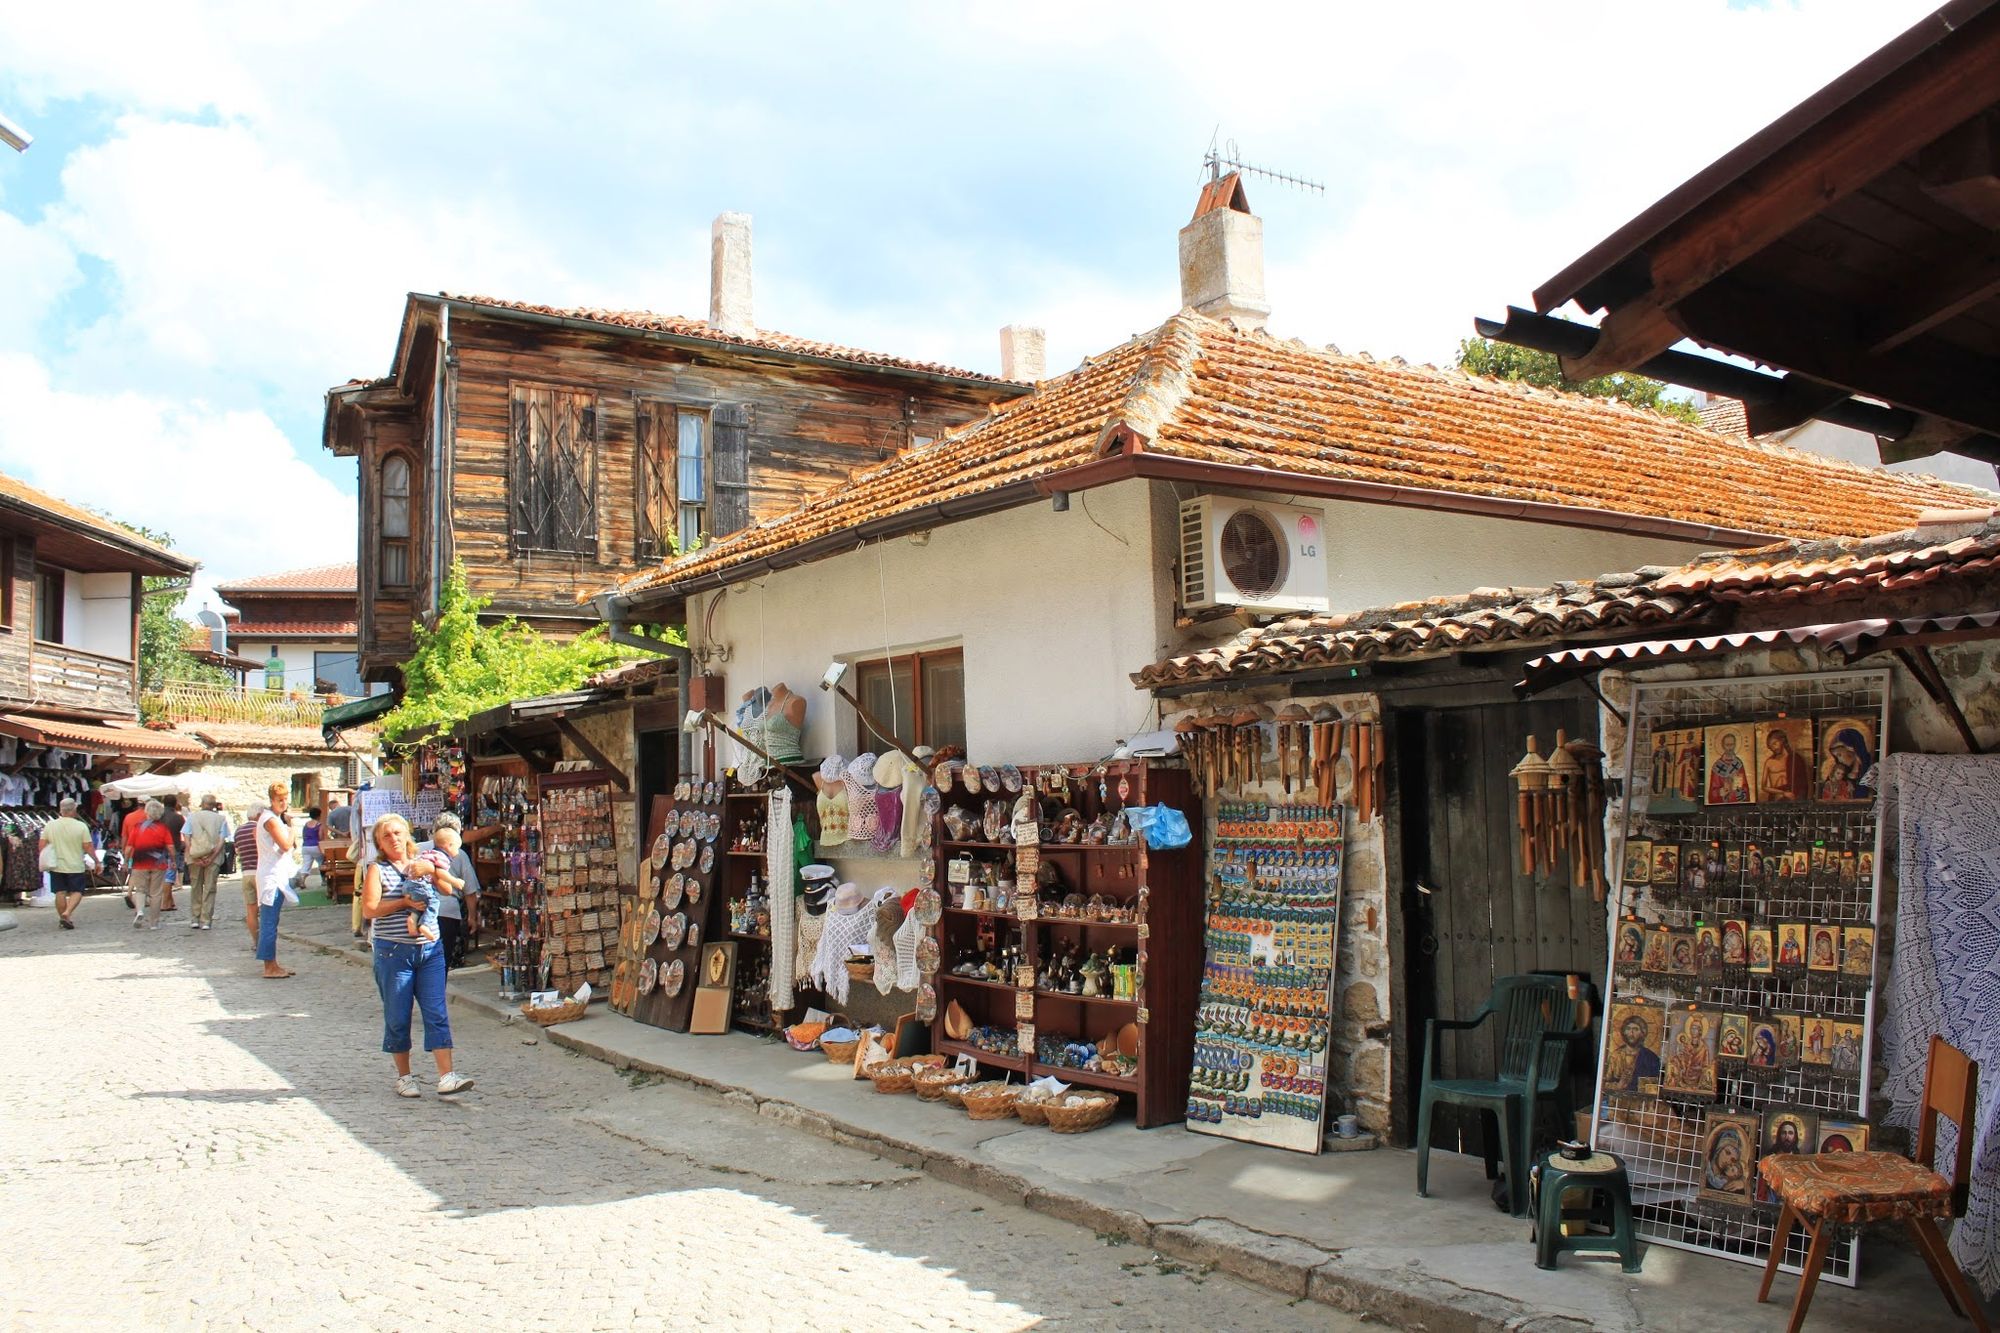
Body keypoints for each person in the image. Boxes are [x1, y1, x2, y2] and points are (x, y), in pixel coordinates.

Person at [360, 813, 474, 1098]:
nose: (394, 839)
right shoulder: (377, 870)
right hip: (394, 952)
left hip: (430, 950)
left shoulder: (422, 860)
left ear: (407, 835)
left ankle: (447, 1076)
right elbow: (370, 909)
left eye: (398, 833)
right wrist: (403, 902)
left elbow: (448, 890)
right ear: (379, 843)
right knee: (398, 1016)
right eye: (387, 836)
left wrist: (432, 870)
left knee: (436, 1012)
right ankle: (405, 1077)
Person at [426, 813, 483, 969]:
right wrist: (472, 917)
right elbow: (470, 890)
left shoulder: (419, 848)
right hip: (447, 912)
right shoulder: (459, 853)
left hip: (420, 910)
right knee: (441, 961)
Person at [254, 784, 299, 978]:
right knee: (269, 922)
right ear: (272, 800)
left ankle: (272, 964)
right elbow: (286, 845)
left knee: (271, 921)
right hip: (271, 877)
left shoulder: (273, 819)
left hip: (275, 874)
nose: (284, 803)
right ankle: (269, 966)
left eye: (285, 799)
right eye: (280, 800)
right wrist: (292, 828)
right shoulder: (270, 820)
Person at [41, 797, 94, 930]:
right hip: (75, 864)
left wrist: (45, 857)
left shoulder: (50, 825)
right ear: (74, 810)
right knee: (77, 891)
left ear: (61, 810)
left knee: (60, 892)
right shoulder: (81, 826)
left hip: (56, 864)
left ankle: (63, 918)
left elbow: (42, 845)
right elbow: (87, 846)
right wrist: (97, 861)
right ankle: (67, 913)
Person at [182, 794, 231, 931]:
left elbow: (187, 837)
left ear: (202, 804)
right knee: (210, 888)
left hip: (195, 857)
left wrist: (193, 854)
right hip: (213, 858)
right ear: (214, 805)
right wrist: (212, 856)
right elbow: (221, 841)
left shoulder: (192, 817)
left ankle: (195, 918)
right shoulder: (221, 819)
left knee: (195, 887)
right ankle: (206, 920)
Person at [126, 800, 176, 929]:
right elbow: (170, 847)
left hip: (140, 862)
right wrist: (173, 861)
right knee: (156, 893)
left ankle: (140, 911)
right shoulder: (163, 828)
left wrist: (126, 861)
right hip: (158, 864)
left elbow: (129, 847)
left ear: (146, 812)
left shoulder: (137, 827)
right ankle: (154, 923)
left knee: (140, 890)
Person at [232, 804, 262, 945]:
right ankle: (265, 944)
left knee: (251, 911)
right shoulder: (261, 829)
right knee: (266, 910)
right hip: (260, 873)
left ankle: (256, 942)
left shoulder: (239, 831)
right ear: (259, 815)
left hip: (246, 873)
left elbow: (237, 850)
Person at [160, 794, 187, 914]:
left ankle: (170, 902)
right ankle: (164, 903)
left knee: (165, 875)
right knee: (169, 877)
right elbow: (185, 833)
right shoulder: (178, 818)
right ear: (175, 803)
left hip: (159, 848)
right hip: (173, 848)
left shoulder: (159, 816)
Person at [295, 806, 324, 890]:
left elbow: (304, 835)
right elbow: (320, 837)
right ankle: (324, 880)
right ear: (319, 815)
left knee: (306, 865)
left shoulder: (306, 825)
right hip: (316, 846)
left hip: (306, 846)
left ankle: (302, 880)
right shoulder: (319, 825)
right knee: (321, 863)